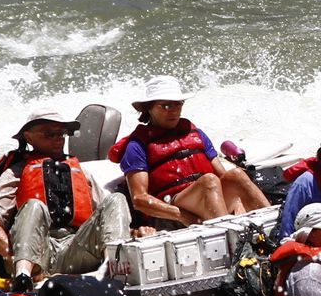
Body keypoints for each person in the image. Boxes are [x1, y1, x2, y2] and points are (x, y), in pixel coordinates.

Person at [0, 110, 131, 288]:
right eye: (49, 134)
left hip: (75, 249)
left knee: (116, 200)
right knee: (35, 206)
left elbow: (106, 217)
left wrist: (134, 231)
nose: (58, 139)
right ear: (29, 137)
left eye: (61, 134)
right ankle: (23, 277)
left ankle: (114, 269)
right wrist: (14, 256)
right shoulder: (15, 172)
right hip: (36, 254)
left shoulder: (80, 171)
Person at [112, 77, 268, 224]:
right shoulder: (137, 145)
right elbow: (139, 199)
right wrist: (182, 216)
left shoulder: (196, 134)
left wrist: (238, 202)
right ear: (149, 108)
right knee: (209, 181)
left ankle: (275, 229)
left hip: (211, 200)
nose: (173, 110)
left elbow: (223, 175)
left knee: (237, 174)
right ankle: (230, 240)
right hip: (174, 212)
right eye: (166, 105)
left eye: (178, 104)